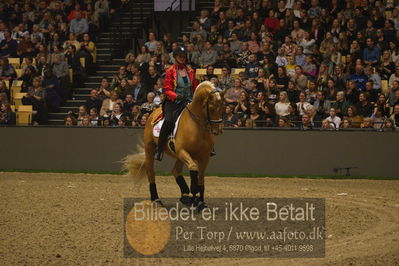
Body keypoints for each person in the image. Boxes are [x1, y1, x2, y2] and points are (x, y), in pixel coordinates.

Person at [155, 47, 198, 161]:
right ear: (175, 57)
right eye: (180, 56)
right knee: (169, 121)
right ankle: (159, 149)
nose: (182, 58)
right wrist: (177, 96)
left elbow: (194, 87)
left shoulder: (190, 71)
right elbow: (167, 89)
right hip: (174, 102)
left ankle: (209, 147)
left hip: (188, 101)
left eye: (183, 56)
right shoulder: (170, 71)